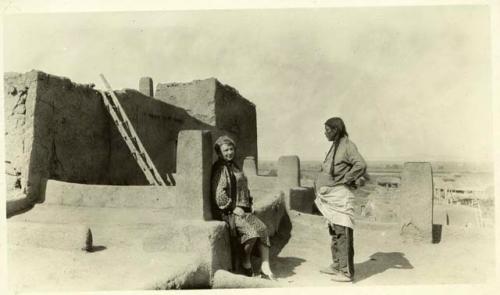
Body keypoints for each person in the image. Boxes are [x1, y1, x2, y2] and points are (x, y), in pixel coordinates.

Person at [211, 135, 275, 280]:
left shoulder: (234, 165)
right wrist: (232, 207)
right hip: (229, 212)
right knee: (251, 234)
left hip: (243, 210)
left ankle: (266, 268)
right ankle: (245, 263)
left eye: (231, 149)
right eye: (225, 150)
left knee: (263, 230)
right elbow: (218, 195)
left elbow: (243, 187)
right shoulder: (220, 169)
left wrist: (249, 204)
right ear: (219, 153)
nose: (229, 152)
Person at [314, 117, 367, 282]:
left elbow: (361, 165)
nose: (325, 133)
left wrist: (346, 178)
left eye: (327, 130)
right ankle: (337, 265)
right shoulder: (335, 145)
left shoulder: (348, 146)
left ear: (335, 130)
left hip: (341, 196)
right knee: (335, 232)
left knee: (343, 232)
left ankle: (346, 272)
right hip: (331, 197)